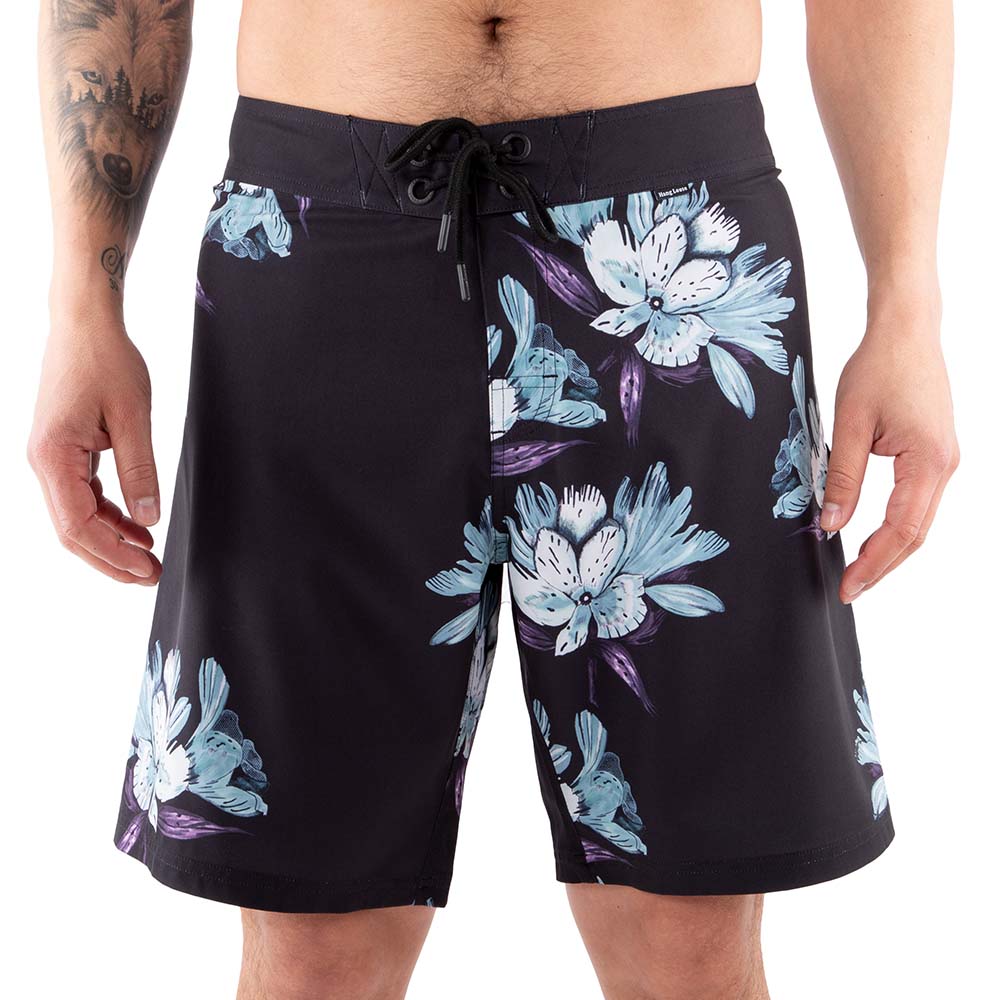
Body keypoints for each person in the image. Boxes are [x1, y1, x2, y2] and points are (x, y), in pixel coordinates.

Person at [30, 2, 958, 998]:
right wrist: (83, 304)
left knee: (687, 936)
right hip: (312, 241)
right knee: (312, 948)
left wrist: (907, 306)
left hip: (674, 244)